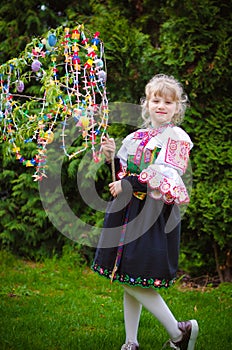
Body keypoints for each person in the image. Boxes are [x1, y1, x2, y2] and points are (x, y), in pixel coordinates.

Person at [92, 74, 199, 350]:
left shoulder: (176, 138)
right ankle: (131, 341)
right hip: (128, 211)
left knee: (135, 277)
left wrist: (126, 182)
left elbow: (166, 175)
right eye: (155, 99)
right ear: (146, 104)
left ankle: (179, 332)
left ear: (177, 108)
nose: (160, 105)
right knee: (129, 275)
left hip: (152, 215)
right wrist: (113, 156)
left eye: (168, 101)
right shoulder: (135, 137)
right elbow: (123, 175)